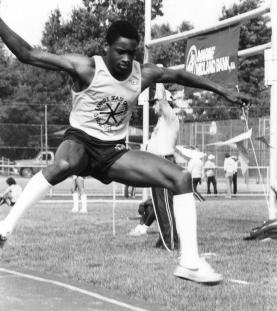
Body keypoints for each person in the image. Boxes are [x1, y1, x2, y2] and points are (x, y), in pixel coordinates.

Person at [0, 18, 248, 284]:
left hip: (113, 152)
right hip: (81, 142)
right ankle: (5, 226)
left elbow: (178, 75)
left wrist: (222, 90)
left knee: (181, 178)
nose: (127, 59)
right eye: (120, 51)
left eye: (132, 52)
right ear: (106, 47)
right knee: (63, 165)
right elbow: (27, 54)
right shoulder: (85, 68)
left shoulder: (143, 74)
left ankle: (190, 262)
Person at [146, 82, 179, 250]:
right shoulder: (160, 122)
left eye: (155, 103)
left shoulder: (170, 117)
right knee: (159, 206)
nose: (153, 106)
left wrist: (158, 77)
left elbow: (163, 99)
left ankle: (171, 240)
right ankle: (164, 238)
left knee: (165, 204)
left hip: (165, 162)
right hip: (156, 163)